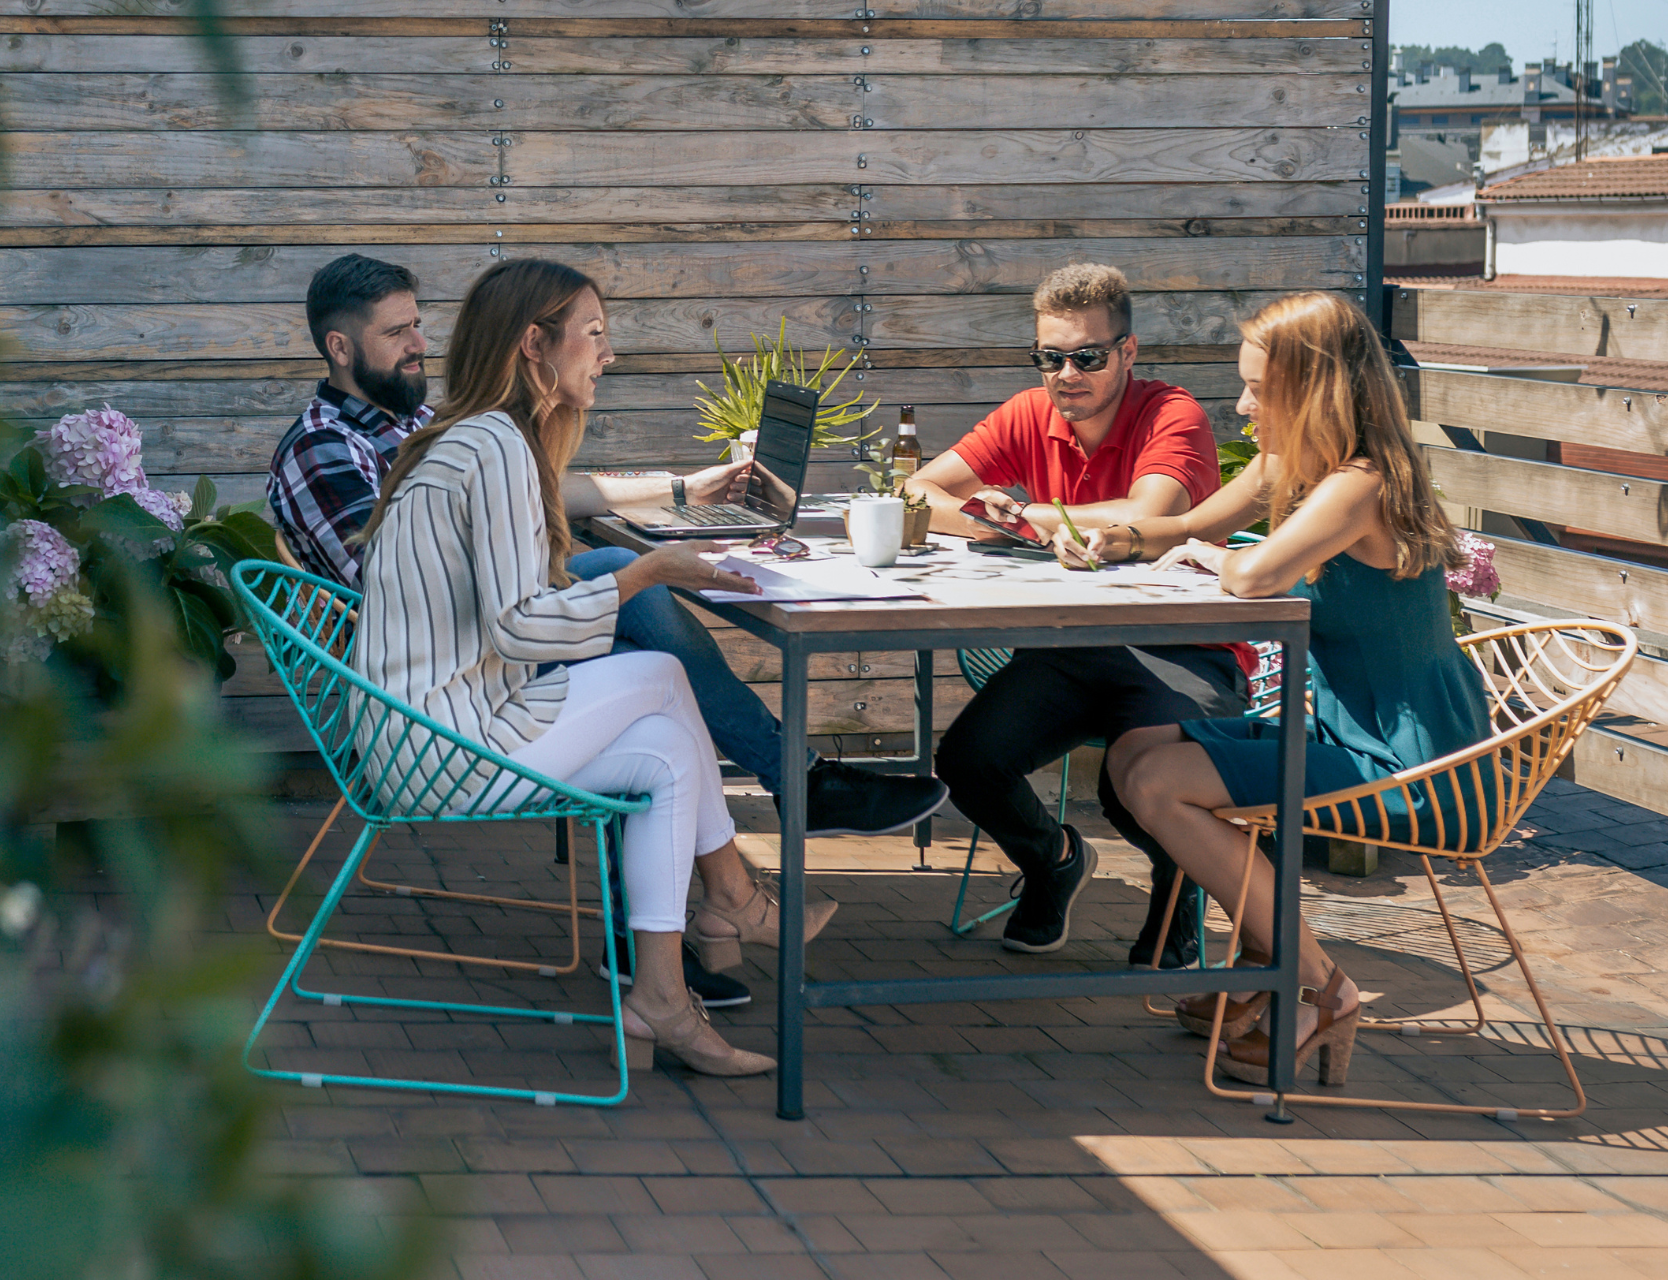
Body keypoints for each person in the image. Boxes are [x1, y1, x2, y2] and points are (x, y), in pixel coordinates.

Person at [266, 254, 947, 1002]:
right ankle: (767, 831)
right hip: (436, 682)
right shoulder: (326, 445)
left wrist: (683, 488)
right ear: (340, 347)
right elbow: (399, 583)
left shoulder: (437, 425)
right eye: (397, 332)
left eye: (418, 324)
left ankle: (663, 964)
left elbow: (536, 497)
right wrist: (640, 571)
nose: (420, 343)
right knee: (650, 652)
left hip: (474, 660)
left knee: (649, 679)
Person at [351, 259, 815, 1075]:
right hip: (439, 744)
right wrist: (648, 574)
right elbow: (524, 627)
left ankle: (664, 996)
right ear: (535, 344)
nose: (607, 354)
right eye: (594, 334)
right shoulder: (492, 444)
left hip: (434, 727)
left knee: (670, 752)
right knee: (663, 679)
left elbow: (556, 510)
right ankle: (736, 901)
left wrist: (672, 496)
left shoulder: (487, 438)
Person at [1092, 291, 1493, 1087]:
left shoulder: (1358, 484)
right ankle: (1263, 973)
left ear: (1312, 392)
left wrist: (1220, 557)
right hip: (1353, 738)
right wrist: (1108, 534)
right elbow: (1198, 524)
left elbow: (1252, 570)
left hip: (1412, 764)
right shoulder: (1305, 469)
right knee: (1135, 752)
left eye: (1256, 390)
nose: (1241, 406)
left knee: (1161, 786)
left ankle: (1320, 984)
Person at [905, 264, 1254, 962]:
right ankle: (1054, 859)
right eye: (1050, 357)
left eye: (1087, 357)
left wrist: (1022, 513)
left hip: (1182, 649)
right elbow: (918, 487)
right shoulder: (1028, 413)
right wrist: (982, 517)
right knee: (968, 763)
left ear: (1127, 352)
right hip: (1070, 646)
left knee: (1134, 785)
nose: (1067, 374)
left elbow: (1150, 514)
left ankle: (1176, 884)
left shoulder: (1170, 413)